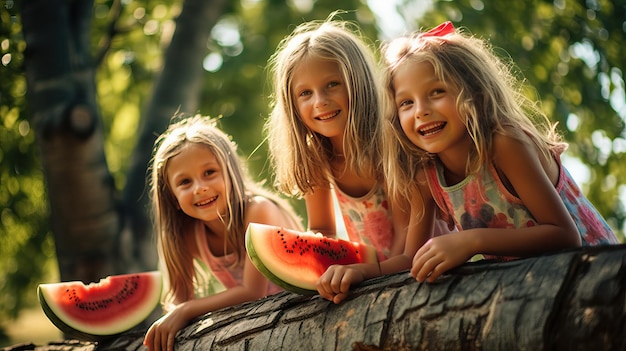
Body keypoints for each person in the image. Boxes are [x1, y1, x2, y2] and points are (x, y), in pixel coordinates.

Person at [317, 21, 618, 304]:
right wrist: (359, 272)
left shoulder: (504, 143)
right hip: (532, 291)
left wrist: (472, 242)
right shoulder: (426, 172)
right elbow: (410, 259)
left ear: (473, 94)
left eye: (436, 92)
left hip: (600, 279)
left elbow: (565, 235)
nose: (420, 111)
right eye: (406, 103)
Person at [144, 114, 302, 351]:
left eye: (209, 172)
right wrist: (175, 315)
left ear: (231, 173)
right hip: (262, 328)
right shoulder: (189, 237)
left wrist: (185, 310)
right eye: (185, 182)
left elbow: (253, 292)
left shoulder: (259, 211)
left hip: (302, 310)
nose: (200, 188)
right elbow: (180, 299)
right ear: (173, 198)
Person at [264, 14, 414, 263]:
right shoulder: (318, 156)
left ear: (358, 82)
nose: (319, 101)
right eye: (305, 93)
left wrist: (372, 275)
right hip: (372, 274)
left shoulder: (387, 144)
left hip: (410, 264)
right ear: (292, 106)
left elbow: (406, 236)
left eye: (332, 84)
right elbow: (323, 231)